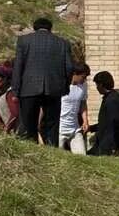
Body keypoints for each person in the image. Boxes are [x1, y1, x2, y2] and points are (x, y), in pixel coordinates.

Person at [13, 16, 75, 145]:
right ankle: (51, 147)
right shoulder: (62, 43)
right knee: (52, 123)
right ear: (50, 29)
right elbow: (69, 68)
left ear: (35, 28)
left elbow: (18, 66)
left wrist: (16, 89)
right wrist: (65, 87)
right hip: (54, 88)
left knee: (29, 122)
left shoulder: (24, 41)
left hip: (29, 88)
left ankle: (31, 146)